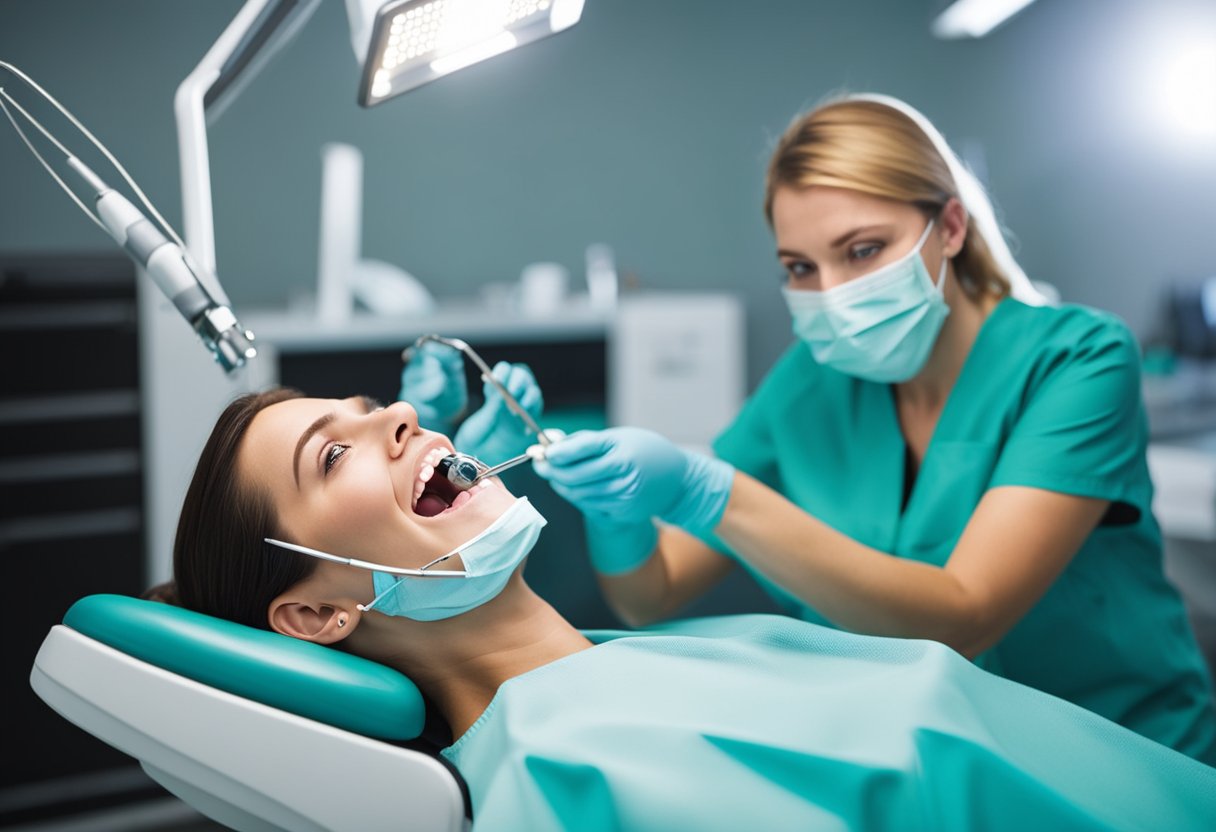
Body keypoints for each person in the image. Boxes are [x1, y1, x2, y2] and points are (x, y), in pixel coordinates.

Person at [154, 388, 1216, 831]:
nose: (397, 410)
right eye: (331, 450)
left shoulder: (645, 664)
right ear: (316, 614)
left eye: (374, 403)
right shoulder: (558, 775)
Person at [521, 93, 1216, 765]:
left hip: (1118, 762)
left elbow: (962, 618)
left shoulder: (1077, 359)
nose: (831, 294)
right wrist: (617, 511)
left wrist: (712, 492)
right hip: (931, 767)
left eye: (861, 251)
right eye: (800, 267)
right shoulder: (809, 385)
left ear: (949, 227)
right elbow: (650, 594)